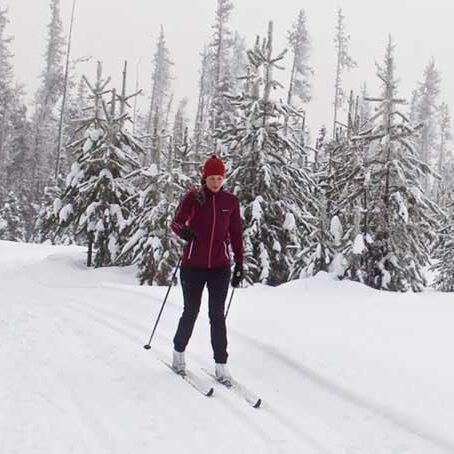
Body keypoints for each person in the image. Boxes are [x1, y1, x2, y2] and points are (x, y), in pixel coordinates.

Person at [170, 154, 244, 384]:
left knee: (217, 316)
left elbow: (236, 233)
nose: (215, 182)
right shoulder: (194, 197)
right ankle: (178, 354)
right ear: (205, 178)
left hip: (220, 266)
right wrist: (184, 232)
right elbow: (176, 222)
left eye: (219, 178)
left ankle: (221, 365)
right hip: (193, 266)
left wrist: (240, 263)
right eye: (212, 178)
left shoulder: (230, 202)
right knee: (191, 311)